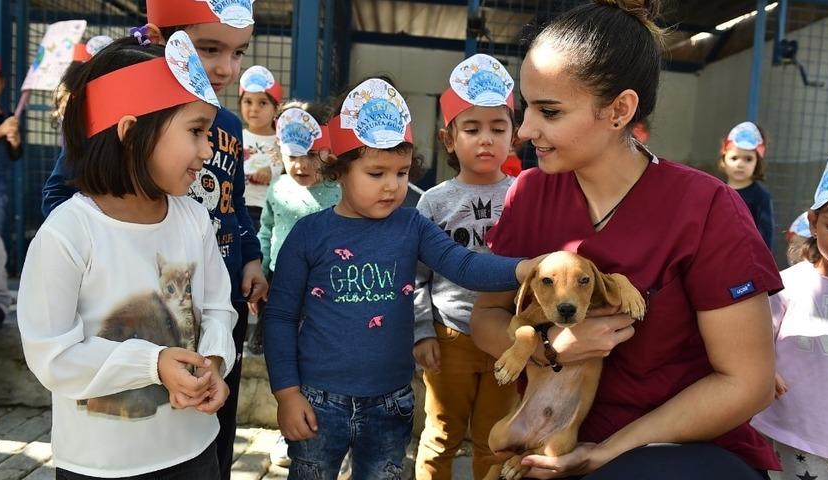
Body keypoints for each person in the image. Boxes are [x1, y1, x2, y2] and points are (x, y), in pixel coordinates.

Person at [469, 1, 782, 479]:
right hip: (550, 442)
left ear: (619, 110)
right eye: (525, 108)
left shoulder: (704, 207)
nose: (526, 131)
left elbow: (748, 382)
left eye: (549, 111)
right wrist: (550, 347)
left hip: (674, 446)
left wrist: (604, 452)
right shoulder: (529, 194)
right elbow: (486, 317)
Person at [262, 77, 539, 479]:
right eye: (376, 173)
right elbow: (281, 317)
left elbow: (462, 264)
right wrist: (286, 393)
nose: (393, 186)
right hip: (318, 401)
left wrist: (523, 269)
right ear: (338, 170)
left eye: (402, 171)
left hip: (391, 403)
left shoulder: (413, 226)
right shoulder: (309, 234)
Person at [39, 2, 268, 478]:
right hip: (101, 462)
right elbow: (53, 353)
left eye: (238, 51)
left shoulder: (192, 219)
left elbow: (218, 303)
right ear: (130, 133)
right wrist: (152, 362)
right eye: (196, 133)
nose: (208, 150)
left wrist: (215, 358)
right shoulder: (68, 232)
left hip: (193, 447)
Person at [413, 53, 518, 480]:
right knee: (441, 436)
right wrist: (421, 332)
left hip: (509, 341)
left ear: (515, 135)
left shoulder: (525, 195)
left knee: (498, 440)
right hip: (449, 336)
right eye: (472, 129)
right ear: (449, 138)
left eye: (498, 128)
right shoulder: (433, 202)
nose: (486, 139)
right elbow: (417, 276)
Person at [751, 146, 828, 480]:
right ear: (813, 222)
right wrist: (764, 370)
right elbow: (751, 346)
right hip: (792, 438)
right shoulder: (785, 287)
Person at [254, 100, 339, 467]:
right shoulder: (277, 188)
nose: (301, 165)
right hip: (281, 288)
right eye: (293, 156)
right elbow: (265, 231)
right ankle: (287, 431)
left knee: (318, 364)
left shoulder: (337, 192)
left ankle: (326, 433)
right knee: (286, 362)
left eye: (311, 156)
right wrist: (257, 270)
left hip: (323, 292)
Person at [240, 65, 283, 231]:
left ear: (275, 108)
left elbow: (284, 165)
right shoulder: (237, 135)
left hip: (270, 209)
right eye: (248, 101)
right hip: (240, 206)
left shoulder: (280, 141)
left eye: (262, 103)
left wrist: (270, 170)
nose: (254, 109)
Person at [719, 121, 775, 249]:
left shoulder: (761, 196)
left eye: (748, 159)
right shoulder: (716, 190)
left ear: (758, 162)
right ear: (723, 160)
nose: (740, 164)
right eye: (734, 158)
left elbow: (766, 234)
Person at [0, 53, 22, 243]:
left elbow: (15, 156)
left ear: (2, 83)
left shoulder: (8, 115)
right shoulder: (5, 122)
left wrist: (15, 142)